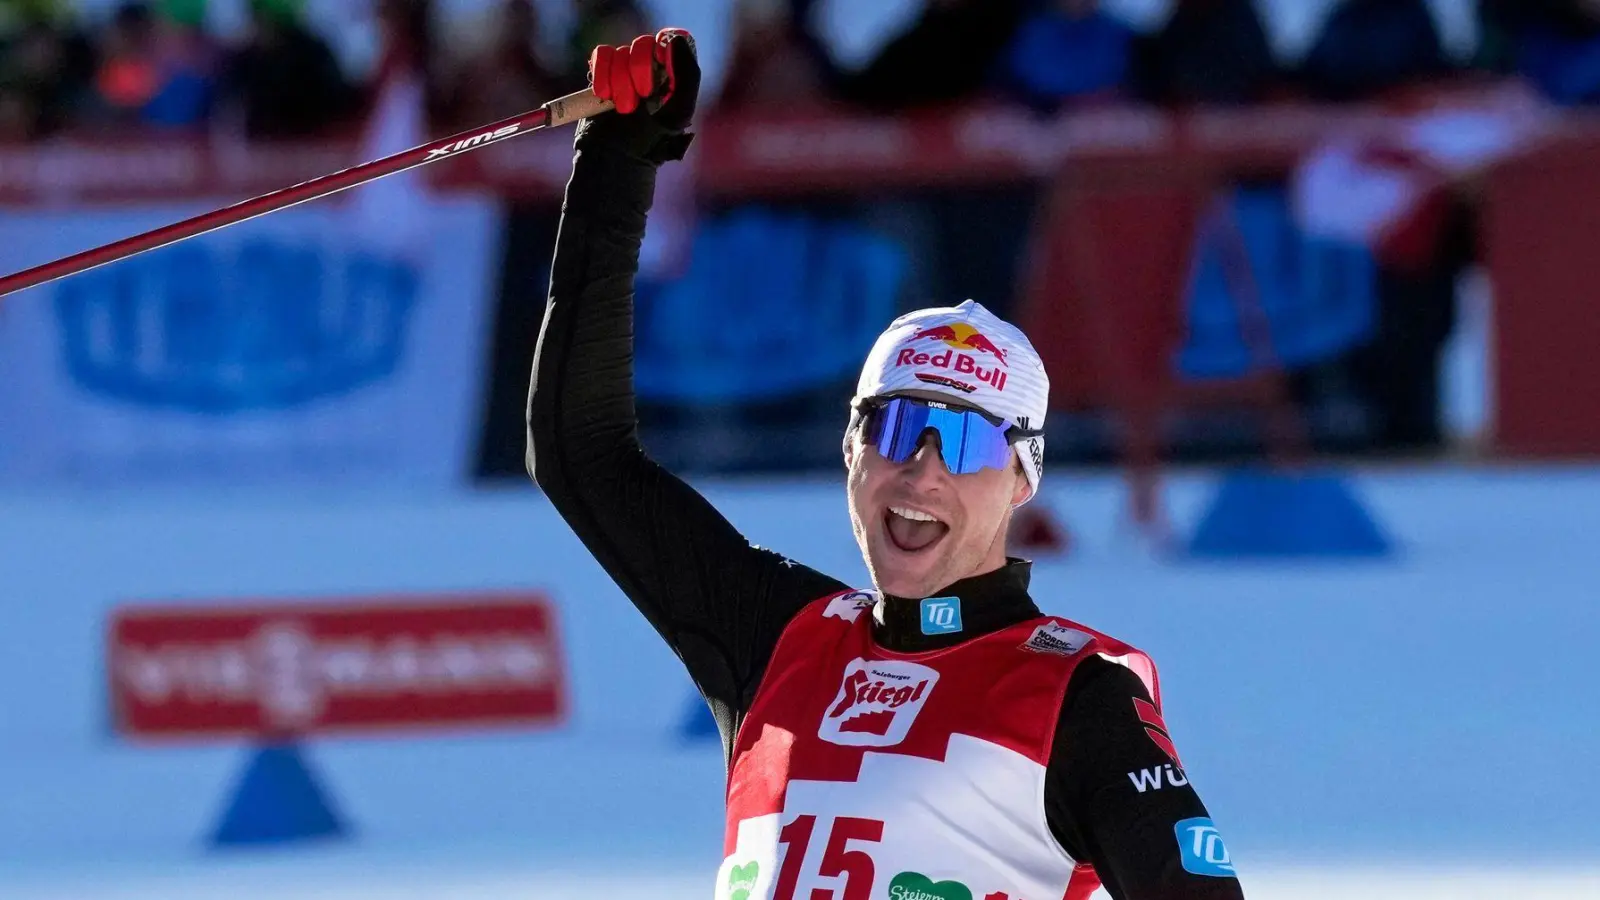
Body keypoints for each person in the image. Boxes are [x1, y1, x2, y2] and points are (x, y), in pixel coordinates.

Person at [527, 28, 1246, 900]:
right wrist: (619, 158)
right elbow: (581, 453)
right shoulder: (775, 634)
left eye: (973, 442)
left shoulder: (1076, 696)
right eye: (898, 428)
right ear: (851, 448)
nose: (925, 472)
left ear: (1024, 480)